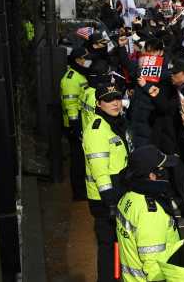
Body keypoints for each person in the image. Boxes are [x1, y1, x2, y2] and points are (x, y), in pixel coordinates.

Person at [83, 83, 129, 282]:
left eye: (117, 98)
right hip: (105, 197)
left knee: (117, 242)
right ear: (98, 103)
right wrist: (110, 201)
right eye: (109, 100)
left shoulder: (115, 122)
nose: (115, 103)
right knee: (108, 245)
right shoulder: (96, 130)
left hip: (117, 190)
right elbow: (100, 171)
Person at [116, 145, 181, 282]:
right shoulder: (151, 213)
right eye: (162, 169)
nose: (166, 173)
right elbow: (154, 267)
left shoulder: (128, 196)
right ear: (152, 176)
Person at [60, 47, 90, 200]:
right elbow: (71, 106)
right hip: (75, 126)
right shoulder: (71, 79)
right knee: (77, 160)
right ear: (78, 60)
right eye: (85, 58)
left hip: (81, 124)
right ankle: (78, 193)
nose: (87, 61)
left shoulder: (78, 75)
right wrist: (75, 128)